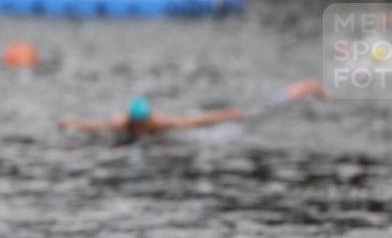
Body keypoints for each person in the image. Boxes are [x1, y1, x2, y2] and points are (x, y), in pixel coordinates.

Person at [58, 78, 328, 144]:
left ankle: (305, 87)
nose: (139, 128)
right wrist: (72, 122)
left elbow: (196, 122)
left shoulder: (160, 123)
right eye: (136, 124)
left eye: (142, 123)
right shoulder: (122, 123)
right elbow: (96, 126)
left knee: (260, 111)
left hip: (223, 120)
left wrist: (225, 113)